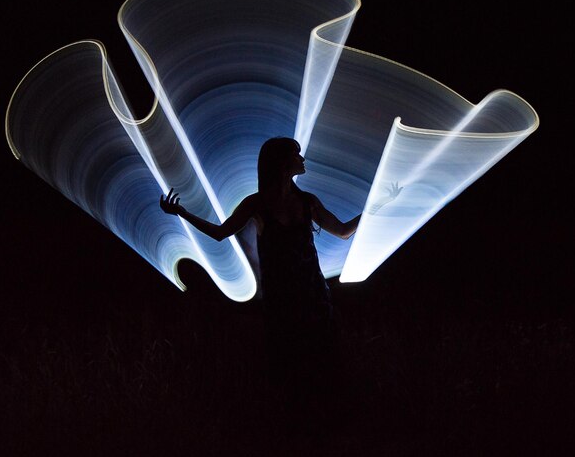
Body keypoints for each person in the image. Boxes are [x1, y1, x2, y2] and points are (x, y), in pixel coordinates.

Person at [159, 137, 399, 428]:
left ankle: (325, 426)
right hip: (282, 303)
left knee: (321, 363)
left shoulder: (307, 202)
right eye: (296, 154)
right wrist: (182, 213)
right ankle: (295, 429)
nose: (303, 158)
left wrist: (378, 205)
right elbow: (221, 233)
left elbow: (344, 231)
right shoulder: (257, 204)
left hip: (313, 298)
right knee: (289, 367)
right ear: (283, 163)